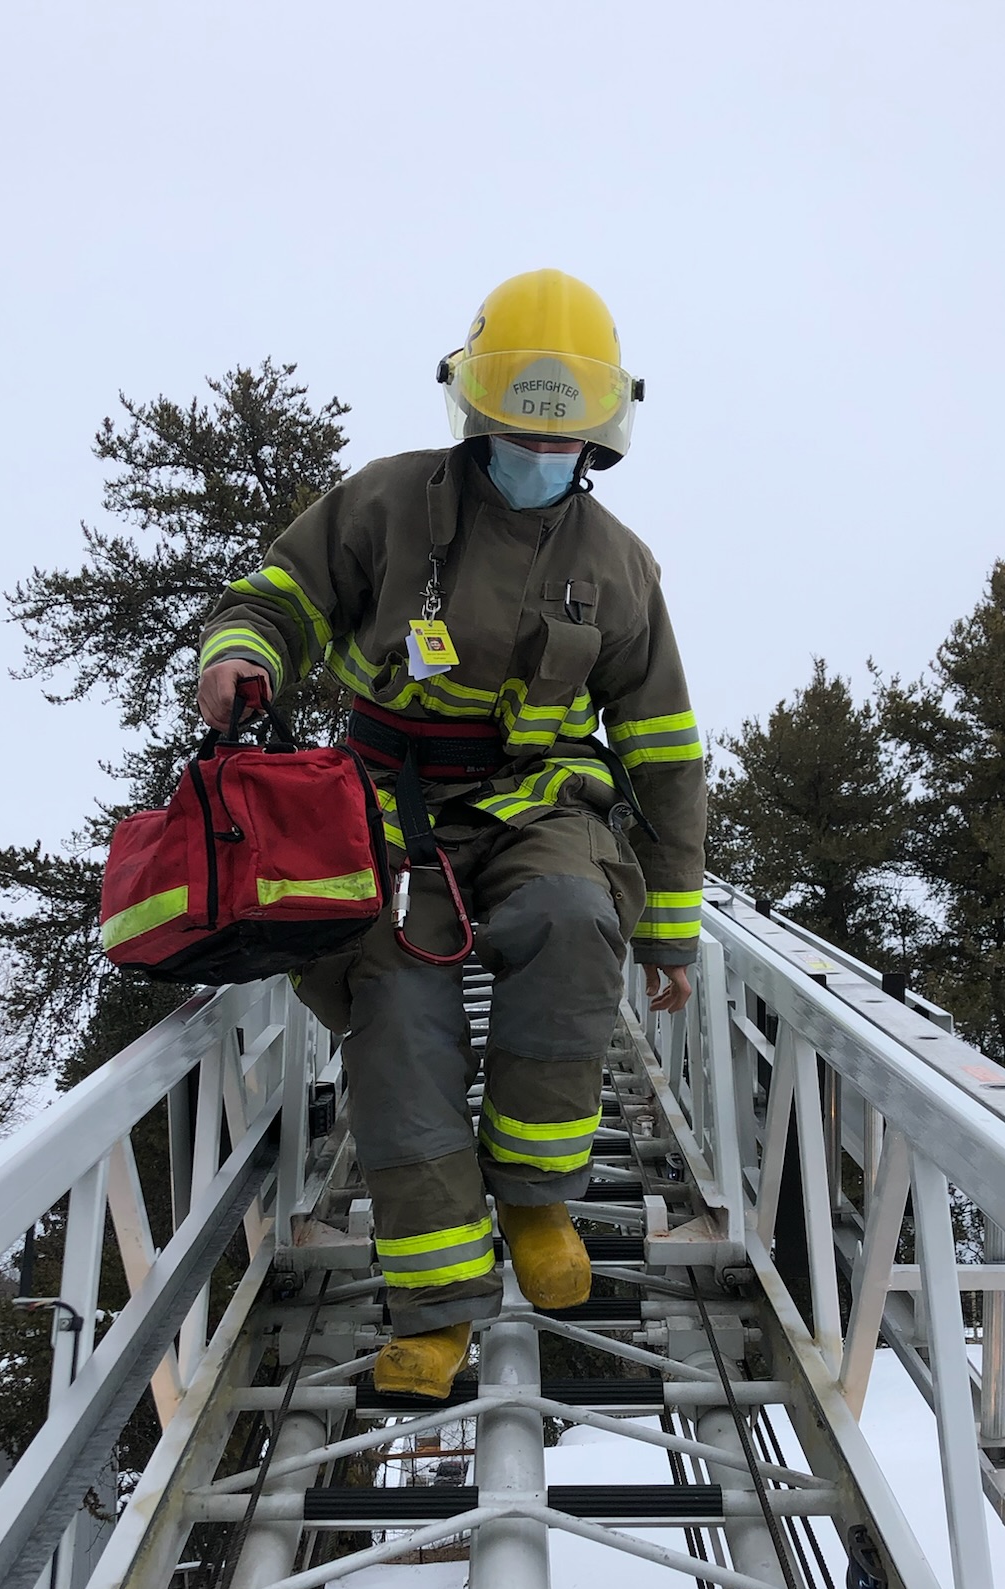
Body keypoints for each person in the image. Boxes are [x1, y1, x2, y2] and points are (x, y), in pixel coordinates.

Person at [198, 270, 706, 1398]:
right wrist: (241, 656)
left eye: (562, 437)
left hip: (541, 808)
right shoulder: (386, 506)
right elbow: (277, 597)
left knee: (577, 919)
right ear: (478, 414)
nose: (540, 453)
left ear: (601, 435)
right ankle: (435, 1303)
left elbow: (664, 749)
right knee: (394, 995)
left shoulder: (620, 570)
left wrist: (671, 927)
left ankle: (533, 1199)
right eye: (521, 432)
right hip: (385, 808)